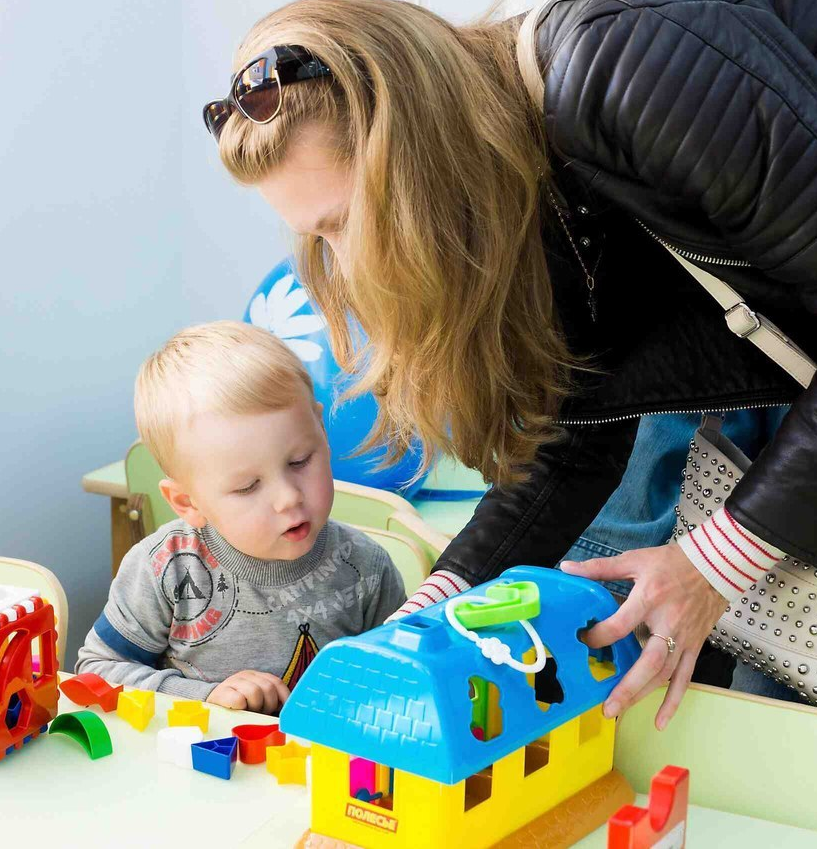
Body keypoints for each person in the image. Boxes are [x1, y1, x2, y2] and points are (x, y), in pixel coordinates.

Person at [204, 0, 817, 728]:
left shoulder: (624, 68)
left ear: (416, 143)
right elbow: (576, 428)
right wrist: (427, 614)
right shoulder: (518, 182)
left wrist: (710, 566)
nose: (351, 264)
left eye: (346, 221)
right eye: (319, 237)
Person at [76, 321, 406, 714]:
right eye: (248, 487)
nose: (288, 498)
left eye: (300, 461)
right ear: (187, 502)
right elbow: (97, 671)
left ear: (320, 428)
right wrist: (205, 697)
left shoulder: (366, 567)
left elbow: (402, 682)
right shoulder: (165, 568)